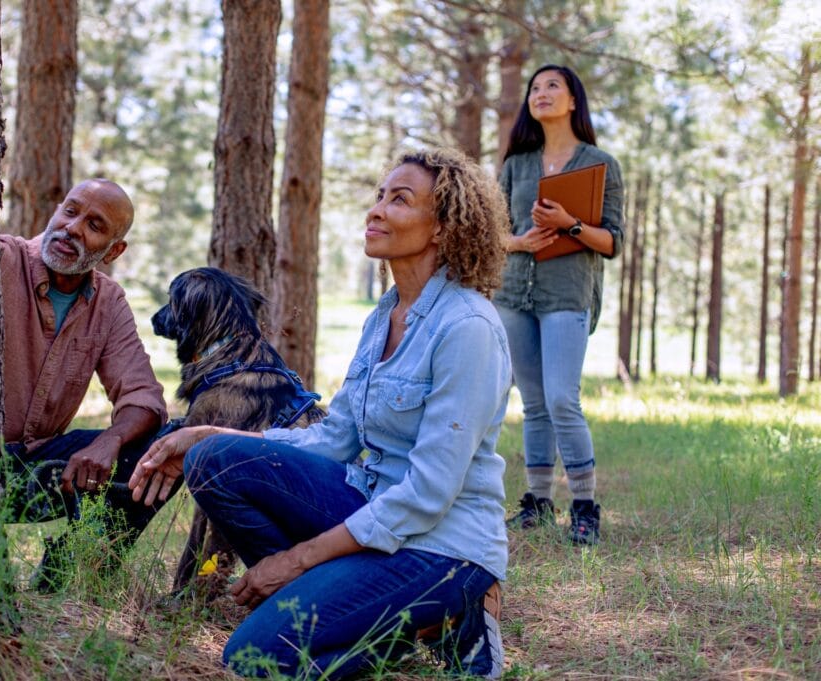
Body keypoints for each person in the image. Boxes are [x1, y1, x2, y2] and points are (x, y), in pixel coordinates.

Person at [130, 149, 512, 679]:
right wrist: (203, 432)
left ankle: (436, 618)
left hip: (442, 546)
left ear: (446, 228)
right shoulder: (383, 317)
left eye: (399, 200)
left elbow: (428, 494)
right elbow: (335, 439)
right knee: (214, 460)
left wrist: (297, 560)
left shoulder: (468, 327)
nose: (376, 210)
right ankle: (361, 611)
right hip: (369, 508)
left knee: (254, 658)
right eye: (378, 195)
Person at [0, 178, 175, 590]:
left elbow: (144, 398)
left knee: (163, 445)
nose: (73, 228)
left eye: (94, 225)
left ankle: (70, 575)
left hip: (36, 465)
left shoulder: (108, 302)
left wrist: (110, 440)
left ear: (114, 251)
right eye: (71, 211)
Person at [495, 64, 625, 545]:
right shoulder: (516, 165)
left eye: (553, 86)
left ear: (573, 101)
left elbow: (611, 241)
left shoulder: (601, 164)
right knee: (533, 405)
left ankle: (586, 508)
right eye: (534, 87)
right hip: (514, 295)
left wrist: (570, 223)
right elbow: (493, 234)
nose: (541, 93)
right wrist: (520, 243)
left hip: (567, 295)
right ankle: (538, 502)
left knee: (561, 399)